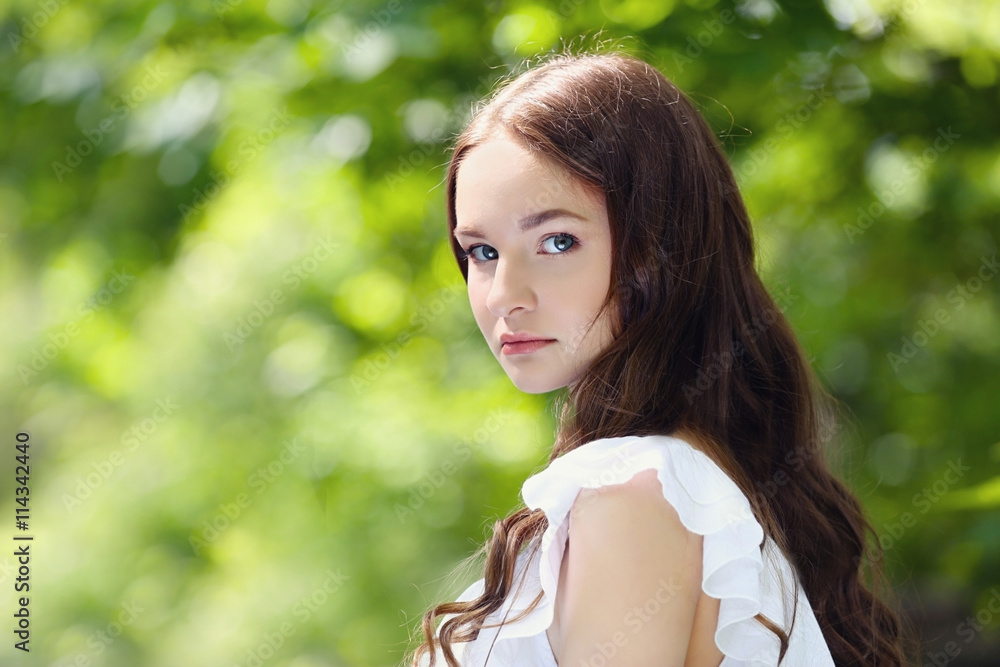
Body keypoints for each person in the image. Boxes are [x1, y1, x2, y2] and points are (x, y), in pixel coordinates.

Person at [406, 46, 915, 666]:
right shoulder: (686, 479)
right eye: (481, 252)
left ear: (660, 246)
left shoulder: (635, 492)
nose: (505, 296)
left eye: (556, 241)